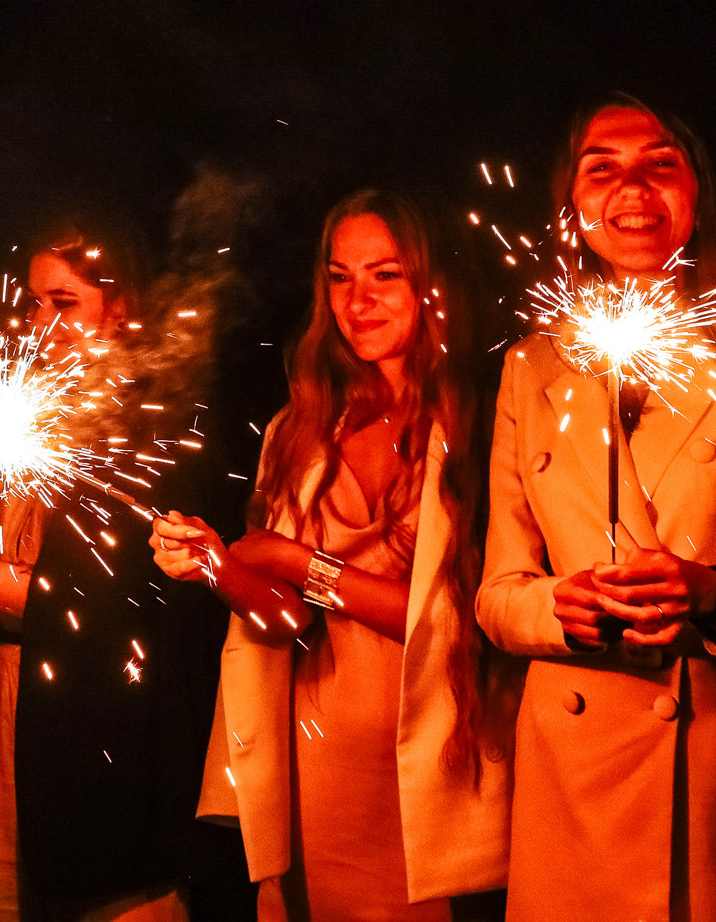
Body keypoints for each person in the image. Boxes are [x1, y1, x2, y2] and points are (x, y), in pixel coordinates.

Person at [475, 98, 716, 921]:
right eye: (602, 167)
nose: (633, 187)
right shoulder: (530, 366)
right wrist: (561, 607)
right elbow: (498, 593)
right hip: (579, 802)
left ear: (698, 191)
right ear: (571, 205)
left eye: (661, 162)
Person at [152, 190, 516, 921]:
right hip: (311, 773)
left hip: (436, 773)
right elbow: (287, 619)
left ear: (430, 283)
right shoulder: (301, 426)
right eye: (340, 276)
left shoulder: (481, 420)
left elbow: (456, 616)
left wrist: (294, 558)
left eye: (384, 274)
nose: (359, 300)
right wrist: (214, 563)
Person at [0, 216, 216, 922]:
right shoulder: (36, 419)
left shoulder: (149, 426)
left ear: (120, 309)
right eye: (31, 302)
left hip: (97, 739)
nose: (37, 324)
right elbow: (19, 575)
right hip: (5, 714)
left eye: (64, 302)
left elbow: (104, 611)